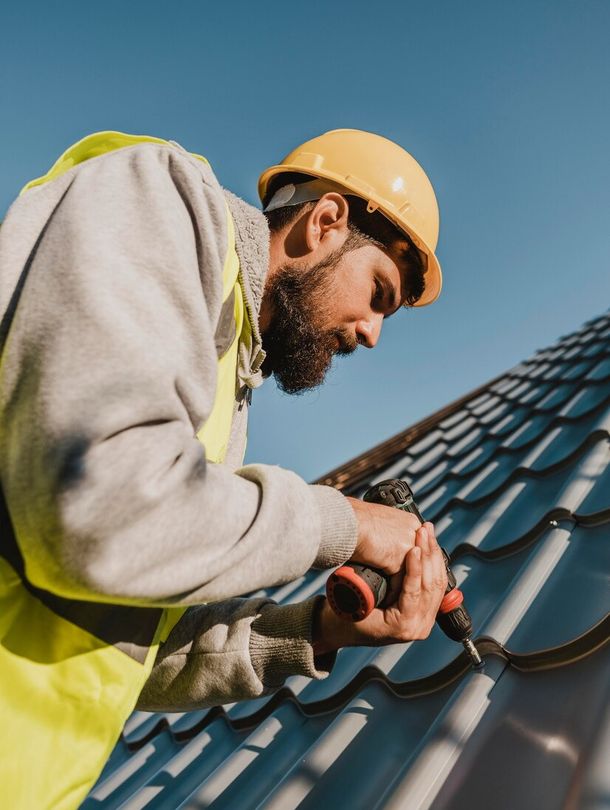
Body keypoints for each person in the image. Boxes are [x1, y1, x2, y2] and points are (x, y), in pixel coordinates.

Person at [0, 128, 448, 808]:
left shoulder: (225, 379)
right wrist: (347, 523)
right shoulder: (158, 198)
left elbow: (132, 639)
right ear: (324, 222)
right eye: (379, 292)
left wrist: (316, 630)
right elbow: (101, 514)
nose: (371, 332)